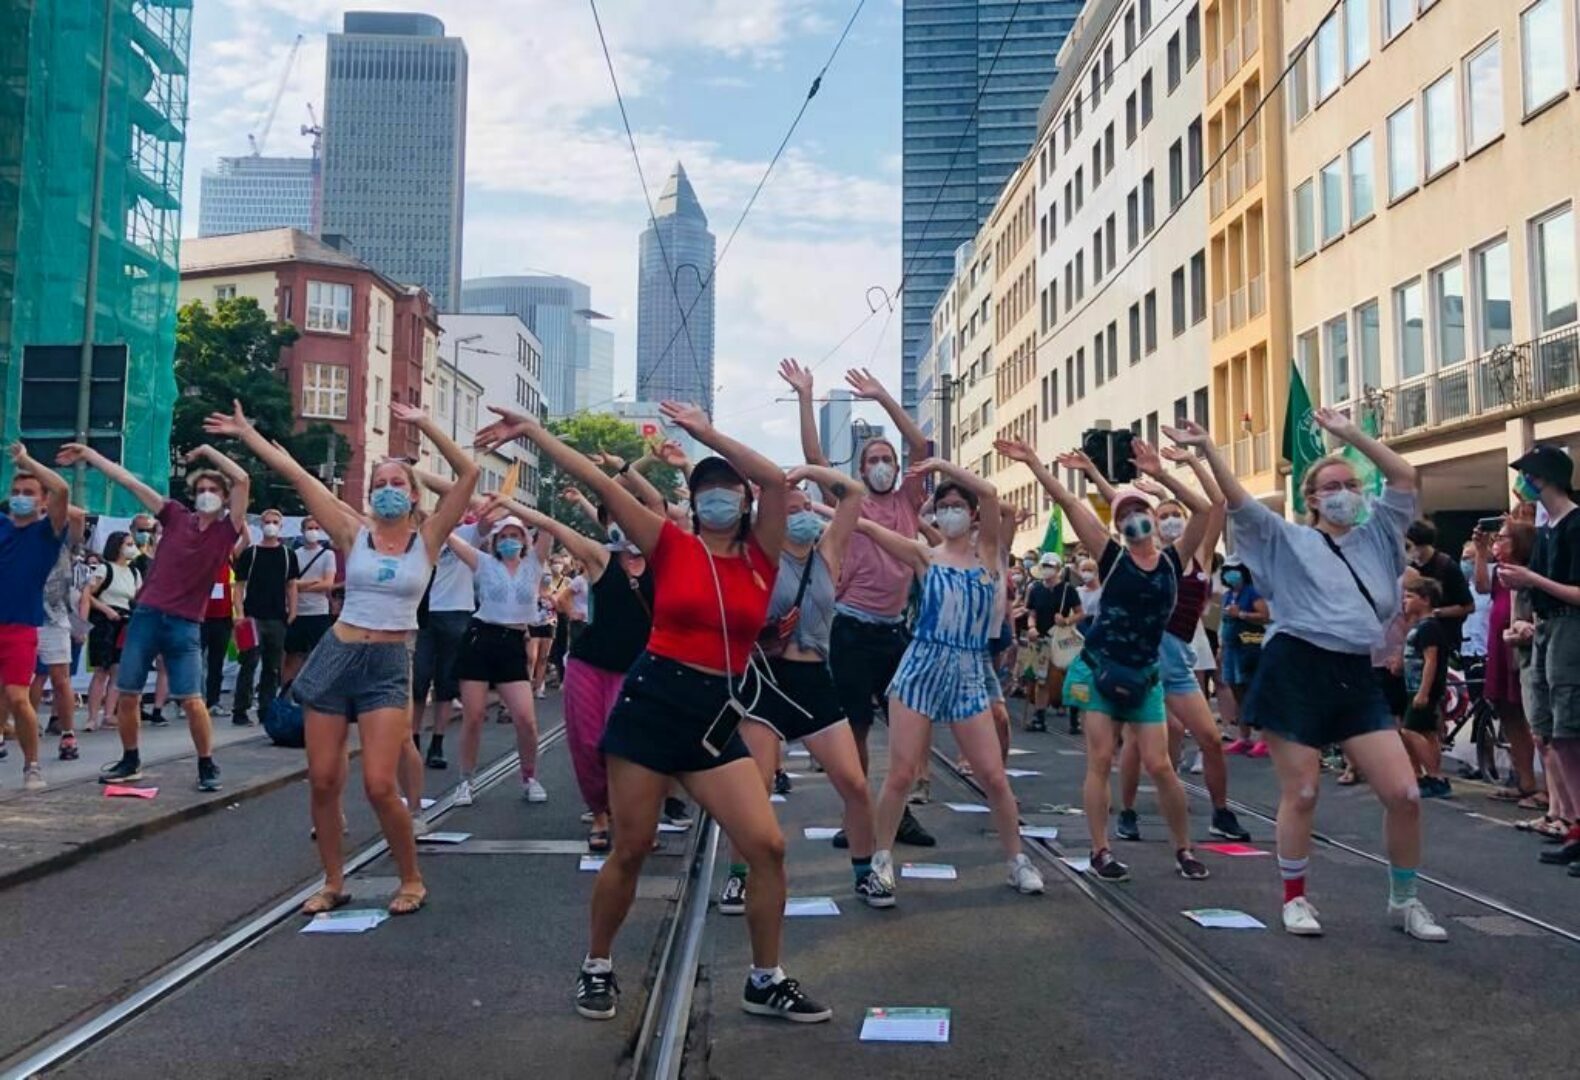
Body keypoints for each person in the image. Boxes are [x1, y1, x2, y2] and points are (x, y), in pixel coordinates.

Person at [476, 400, 833, 1025]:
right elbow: (599, 483)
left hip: (713, 713)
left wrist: (704, 435)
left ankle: (764, 977)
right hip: (653, 700)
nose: (718, 499)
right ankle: (597, 965)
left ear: (744, 502)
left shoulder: (761, 557)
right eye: (706, 491)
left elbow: (779, 480)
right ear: (692, 504)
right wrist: (535, 431)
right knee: (632, 846)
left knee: (767, 846)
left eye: (727, 490)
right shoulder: (671, 544)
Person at [1164, 412, 1447, 941]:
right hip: (1294, 665)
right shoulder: (1287, 539)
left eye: (1351, 485)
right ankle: (1295, 898)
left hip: (1353, 672)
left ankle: (1404, 900)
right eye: (1332, 487)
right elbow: (1240, 502)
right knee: (1304, 791)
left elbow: (1405, 476)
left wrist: (1351, 439)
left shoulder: (1381, 532)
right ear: (1312, 499)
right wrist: (1207, 449)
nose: (1345, 494)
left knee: (1405, 794)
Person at [206, 399, 477, 916]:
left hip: (389, 665)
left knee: (379, 783)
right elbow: (296, 473)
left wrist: (425, 425)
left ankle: (410, 877)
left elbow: (466, 473)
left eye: (398, 483)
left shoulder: (429, 540)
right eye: (380, 484)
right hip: (337, 655)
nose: (388, 491)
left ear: (415, 493)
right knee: (324, 778)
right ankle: (333, 880)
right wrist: (246, 433)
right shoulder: (355, 534)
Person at [998, 437, 1214, 884]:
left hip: (1145, 676)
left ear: (1155, 518)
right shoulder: (1112, 557)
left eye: (1141, 514)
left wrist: (1159, 474)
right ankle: (1101, 850)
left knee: (1160, 765)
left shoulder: (1175, 561)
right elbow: (1065, 499)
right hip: (1100, 670)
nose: (1133, 521)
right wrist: (1036, 462)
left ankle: (1185, 849)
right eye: (1124, 517)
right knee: (1100, 758)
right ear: (1117, 527)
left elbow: (1206, 510)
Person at [863, 459, 1047, 898]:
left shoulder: (989, 555)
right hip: (921, 668)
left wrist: (944, 465)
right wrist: (825, 511)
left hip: (967, 670)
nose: (949, 514)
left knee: (994, 775)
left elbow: (986, 492)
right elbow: (868, 528)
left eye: (955, 506)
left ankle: (1017, 860)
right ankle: (880, 861)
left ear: (972, 515)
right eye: (941, 506)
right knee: (901, 773)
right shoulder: (926, 555)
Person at [718, 465, 894, 913]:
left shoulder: (827, 553)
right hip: (768, 680)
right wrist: (767, 628)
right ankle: (739, 877)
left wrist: (806, 473)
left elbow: (852, 494)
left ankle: (864, 872)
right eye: (788, 509)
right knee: (753, 786)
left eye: (803, 508)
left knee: (854, 783)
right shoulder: (759, 558)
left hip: (816, 680)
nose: (798, 515)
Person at [780, 358, 935, 849]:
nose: (882, 466)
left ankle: (898, 811)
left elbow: (920, 447)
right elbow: (813, 454)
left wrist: (884, 397)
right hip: (850, 628)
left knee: (907, 728)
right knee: (858, 728)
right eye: (872, 461)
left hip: (896, 630)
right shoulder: (852, 501)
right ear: (862, 470)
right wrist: (806, 396)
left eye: (886, 459)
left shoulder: (909, 500)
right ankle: (858, 814)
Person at [59, 443, 248, 792]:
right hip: (146, 615)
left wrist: (206, 450)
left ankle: (207, 763)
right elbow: (129, 481)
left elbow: (242, 478)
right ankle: (130, 760)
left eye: (213, 491)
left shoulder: (226, 532)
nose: (206, 495)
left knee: (191, 699)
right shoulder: (175, 515)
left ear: (224, 499)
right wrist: (89, 453)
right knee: (128, 692)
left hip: (186, 623)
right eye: (201, 490)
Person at [1112, 448, 1252, 844]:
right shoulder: (1151, 558)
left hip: (1181, 658)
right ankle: (1127, 811)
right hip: (1148, 657)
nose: (1173, 522)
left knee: (1209, 738)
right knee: (1139, 741)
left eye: (1177, 515)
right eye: (1164, 516)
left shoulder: (1199, 553)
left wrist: (1184, 468)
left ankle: (1221, 812)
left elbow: (1215, 506)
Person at [1496, 445, 1580, 875]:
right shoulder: (1548, 530)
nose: (1523, 484)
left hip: (1569, 630)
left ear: (1544, 477)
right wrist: (1527, 621)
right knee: (1555, 732)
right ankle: (1574, 826)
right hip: (1548, 629)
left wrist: (1529, 578)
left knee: (1569, 729)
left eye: (1527, 476)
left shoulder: (1575, 525)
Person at [444, 510, 553, 806]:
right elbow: (450, 538)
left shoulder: (534, 563)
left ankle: (530, 777)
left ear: (524, 539)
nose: (508, 541)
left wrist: (511, 507)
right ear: (494, 541)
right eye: (503, 536)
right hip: (481, 638)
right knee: (474, 716)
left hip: (513, 643)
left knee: (526, 719)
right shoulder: (485, 563)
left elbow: (548, 527)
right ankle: (465, 780)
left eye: (514, 536)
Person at [0, 444, 72, 790]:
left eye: (28, 492)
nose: (20, 497)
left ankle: (31, 766)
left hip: (20, 625)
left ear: (43, 502)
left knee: (17, 696)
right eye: (15, 492)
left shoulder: (47, 533)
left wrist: (27, 462)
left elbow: (62, 489)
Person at [411, 473, 481, 771]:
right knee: (418, 681)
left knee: (446, 684)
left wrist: (417, 474)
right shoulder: (423, 535)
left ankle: (437, 743)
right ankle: (412, 741)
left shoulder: (469, 534)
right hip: (424, 613)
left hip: (457, 613)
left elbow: (474, 500)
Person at [1470, 518, 1540, 802]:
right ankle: (1524, 779)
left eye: (1503, 538)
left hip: (1521, 645)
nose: (1497, 543)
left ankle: (1544, 786)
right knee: (1507, 711)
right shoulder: (1500, 570)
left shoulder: (1528, 573)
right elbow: (1482, 586)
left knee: (1531, 714)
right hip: (1499, 642)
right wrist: (1480, 550)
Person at [232, 509, 299, 726]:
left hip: (277, 618)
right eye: (267, 521)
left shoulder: (288, 555)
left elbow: (292, 585)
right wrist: (240, 614)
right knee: (248, 663)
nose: (270, 525)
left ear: (281, 526)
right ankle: (240, 710)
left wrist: (293, 610)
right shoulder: (250, 554)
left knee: (272, 667)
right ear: (261, 525)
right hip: (252, 618)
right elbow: (239, 587)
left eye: (275, 522)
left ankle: (266, 710)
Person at [33, 509, 88, 760]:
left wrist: (51, 502)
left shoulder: (61, 537)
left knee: (59, 678)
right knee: (14, 681)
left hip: (54, 617)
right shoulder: (14, 534)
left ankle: (67, 734)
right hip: (19, 614)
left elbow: (78, 517)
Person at [82, 531, 142, 733]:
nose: (132, 547)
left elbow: (138, 598)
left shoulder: (134, 573)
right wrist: (106, 610)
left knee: (117, 670)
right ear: (117, 546)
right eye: (128, 543)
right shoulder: (103, 569)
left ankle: (108, 714)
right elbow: (87, 595)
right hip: (105, 621)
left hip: (125, 621)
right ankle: (92, 717)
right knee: (101, 670)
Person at [1399, 578, 1452, 797]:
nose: (1405, 601)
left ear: (1426, 600)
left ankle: (1435, 775)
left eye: (1411, 596)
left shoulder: (1429, 627)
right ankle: (1428, 776)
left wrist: (1423, 691)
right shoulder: (1419, 626)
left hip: (1422, 689)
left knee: (1409, 730)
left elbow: (1431, 660)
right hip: (1413, 686)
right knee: (1427, 732)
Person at [1024, 552, 1083, 733]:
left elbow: (1080, 613)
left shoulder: (1068, 590)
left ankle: (1075, 719)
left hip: (1064, 640)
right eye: (1044, 566)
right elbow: (1031, 614)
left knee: (1071, 677)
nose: (1047, 570)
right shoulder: (1036, 589)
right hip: (1042, 639)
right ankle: (1039, 717)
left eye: (1050, 566)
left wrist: (1066, 621)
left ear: (1058, 569)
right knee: (1041, 679)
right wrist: (1031, 627)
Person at [1219, 556, 1269, 755]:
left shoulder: (1252, 593)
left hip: (1249, 647)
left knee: (1253, 689)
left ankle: (1264, 738)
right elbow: (1223, 622)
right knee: (1236, 689)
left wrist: (1242, 614)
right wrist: (1220, 649)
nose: (1231, 574)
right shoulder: (1227, 595)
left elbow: (1265, 615)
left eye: (1235, 569)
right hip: (1231, 647)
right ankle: (1244, 736)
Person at [1404, 519, 1475, 661]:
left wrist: (1438, 612)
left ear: (1421, 544)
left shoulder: (1446, 566)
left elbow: (1468, 606)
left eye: (1408, 546)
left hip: (1444, 637)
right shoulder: (1411, 568)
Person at [284, 516, 339, 686]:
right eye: (309, 528)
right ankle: (286, 693)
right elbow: (288, 582)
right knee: (292, 656)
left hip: (319, 612)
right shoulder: (294, 554)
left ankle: (318, 689)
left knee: (320, 655)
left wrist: (298, 586)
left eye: (316, 528)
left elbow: (328, 584)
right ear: (302, 531)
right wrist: (311, 583)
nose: (313, 532)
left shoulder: (328, 554)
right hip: (296, 612)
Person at [201, 558, 239, 717]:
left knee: (216, 663)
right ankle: (191, 701)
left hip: (224, 619)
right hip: (200, 618)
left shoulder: (229, 565)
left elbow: (244, 541)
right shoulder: (199, 561)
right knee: (196, 660)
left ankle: (213, 700)